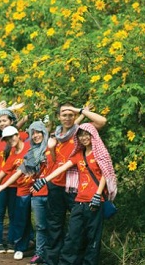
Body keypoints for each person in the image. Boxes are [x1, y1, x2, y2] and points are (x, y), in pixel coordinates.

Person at [32, 123, 117, 265]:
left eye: (86, 134)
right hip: (79, 200)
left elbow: (105, 174)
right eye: (81, 135)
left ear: (92, 135)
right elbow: (63, 167)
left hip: (95, 202)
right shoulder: (79, 154)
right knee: (72, 235)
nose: (84, 138)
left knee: (92, 238)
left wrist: (97, 194)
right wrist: (45, 180)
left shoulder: (99, 153)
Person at [42, 103, 107, 265]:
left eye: (71, 114)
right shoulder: (55, 136)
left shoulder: (81, 132)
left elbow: (102, 122)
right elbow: (56, 162)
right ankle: (52, 260)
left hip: (75, 189)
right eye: (64, 114)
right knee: (55, 224)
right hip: (56, 185)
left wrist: (81, 111)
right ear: (58, 117)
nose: (67, 117)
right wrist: (50, 150)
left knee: (79, 229)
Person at [0, 120, 51, 262]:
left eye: (12, 136)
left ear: (18, 135)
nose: (10, 140)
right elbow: (13, 171)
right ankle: (21, 246)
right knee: (22, 218)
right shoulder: (17, 152)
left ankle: (43, 248)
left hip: (40, 188)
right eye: (7, 139)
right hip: (23, 189)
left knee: (42, 221)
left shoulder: (33, 145)